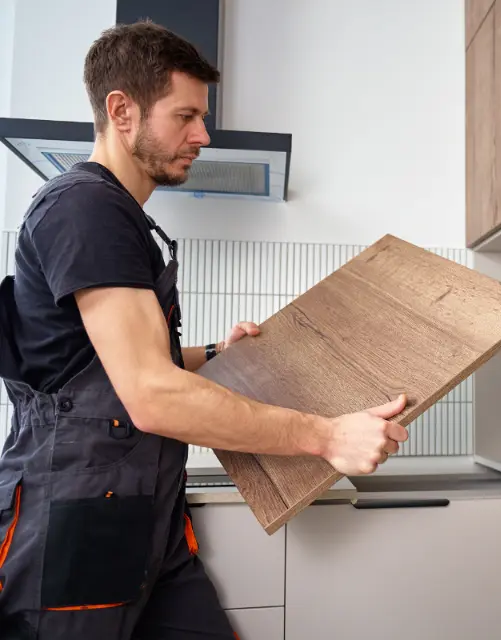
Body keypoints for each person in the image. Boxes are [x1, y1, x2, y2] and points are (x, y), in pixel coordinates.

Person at [0, 20, 409, 640]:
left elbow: (103, 370)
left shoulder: (120, 216)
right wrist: (325, 435)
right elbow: (151, 395)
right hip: (78, 527)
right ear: (123, 111)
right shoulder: (86, 209)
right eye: (186, 115)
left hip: (144, 518)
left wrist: (217, 353)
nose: (204, 134)